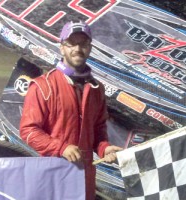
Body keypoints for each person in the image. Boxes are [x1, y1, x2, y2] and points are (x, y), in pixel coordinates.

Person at [20, 21, 122, 200]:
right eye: (71, 43)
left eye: (83, 44)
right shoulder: (43, 86)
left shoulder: (97, 89)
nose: (77, 48)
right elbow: (28, 131)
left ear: (89, 48)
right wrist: (61, 147)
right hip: (53, 177)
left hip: (84, 178)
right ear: (62, 48)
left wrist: (104, 148)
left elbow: (98, 130)